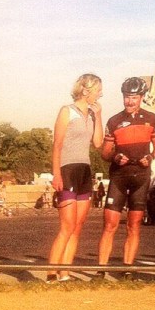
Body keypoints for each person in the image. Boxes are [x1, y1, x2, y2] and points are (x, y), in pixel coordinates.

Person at [95, 77, 155, 276]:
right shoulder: (114, 121)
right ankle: (100, 270)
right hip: (119, 177)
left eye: (134, 97)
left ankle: (128, 269)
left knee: (134, 226)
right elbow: (105, 153)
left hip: (141, 176)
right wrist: (115, 157)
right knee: (110, 225)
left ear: (142, 97)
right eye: (126, 97)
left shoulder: (151, 118)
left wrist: (150, 157)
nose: (130, 101)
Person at [47, 73, 104, 283]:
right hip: (67, 169)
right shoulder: (67, 111)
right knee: (67, 226)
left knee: (78, 226)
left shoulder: (92, 114)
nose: (100, 94)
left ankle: (65, 273)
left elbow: (98, 143)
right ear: (86, 90)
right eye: (98, 90)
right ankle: (51, 274)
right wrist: (56, 174)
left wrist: (99, 116)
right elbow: (57, 145)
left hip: (84, 170)